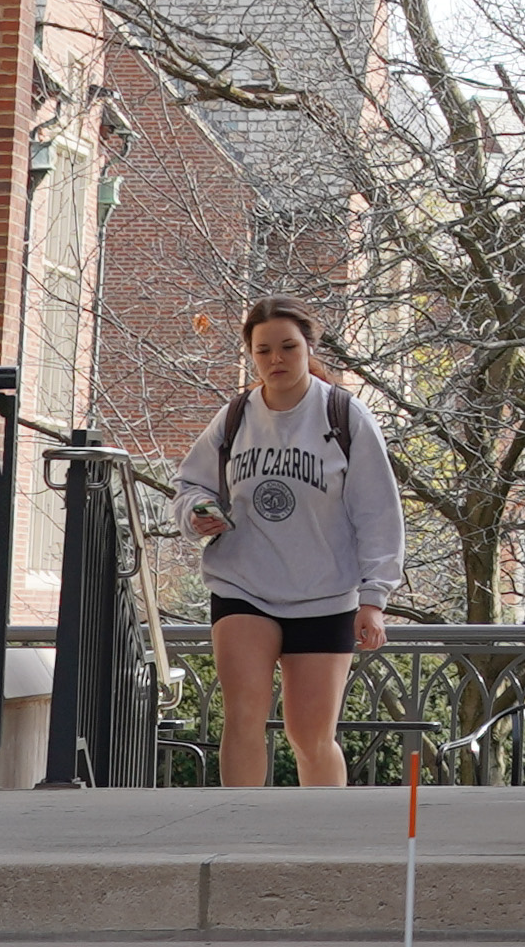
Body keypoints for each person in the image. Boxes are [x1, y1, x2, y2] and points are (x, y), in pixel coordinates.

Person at [183, 302, 405, 785]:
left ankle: (321, 844)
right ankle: (240, 840)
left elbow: (379, 513)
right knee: (243, 719)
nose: (276, 359)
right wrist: (197, 514)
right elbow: (192, 486)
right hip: (242, 584)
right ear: (251, 355)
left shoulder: (344, 415)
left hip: (325, 594)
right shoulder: (236, 416)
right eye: (263, 350)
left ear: (309, 348)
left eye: (288, 346)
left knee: (310, 735)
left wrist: (374, 599)